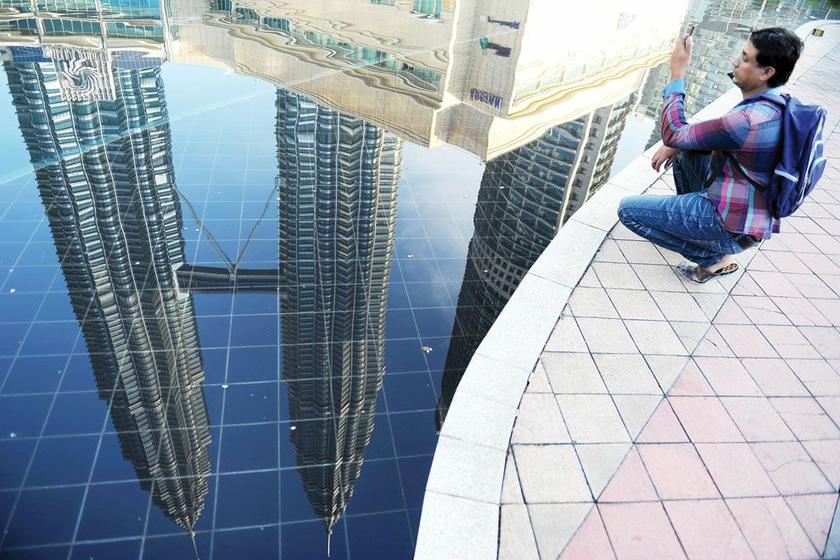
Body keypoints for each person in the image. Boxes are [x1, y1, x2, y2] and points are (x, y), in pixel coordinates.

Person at [618, 27, 804, 283]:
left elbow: (673, 132)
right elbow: (700, 136)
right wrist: (679, 143)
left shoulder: (747, 120)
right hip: (752, 217)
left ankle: (712, 259)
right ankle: (694, 229)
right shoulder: (777, 104)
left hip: (734, 225)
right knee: (686, 152)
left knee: (628, 211)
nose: (735, 61)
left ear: (767, 72)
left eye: (746, 58)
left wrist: (678, 73)